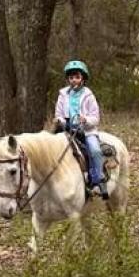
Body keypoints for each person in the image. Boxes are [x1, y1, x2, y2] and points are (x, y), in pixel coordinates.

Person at [53, 60, 107, 199]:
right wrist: (59, 120)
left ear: (83, 78)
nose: (74, 80)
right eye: (71, 78)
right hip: (67, 130)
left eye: (77, 77)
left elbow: (95, 118)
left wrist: (86, 120)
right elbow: (59, 113)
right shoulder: (63, 95)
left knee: (94, 150)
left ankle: (98, 180)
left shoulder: (89, 96)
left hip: (86, 130)